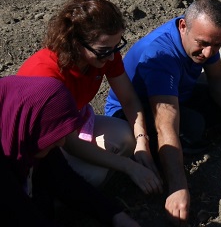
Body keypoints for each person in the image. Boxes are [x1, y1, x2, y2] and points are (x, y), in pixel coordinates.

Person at [104, 0, 221, 225]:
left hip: (177, 94)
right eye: (203, 44)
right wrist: (178, 186)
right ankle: (166, 159)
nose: (209, 53)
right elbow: (165, 123)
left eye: (217, 45)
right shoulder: (161, 55)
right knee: (193, 126)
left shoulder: (205, 37)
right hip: (133, 114)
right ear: (183, 27)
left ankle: (184, 147)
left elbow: (217, 78)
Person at [17, 0, 162, 195]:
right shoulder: (47, 75)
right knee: (92, 176)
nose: (112, 56)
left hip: (74, 123)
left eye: (116, 47)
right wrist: (129, 166)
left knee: (127, 137)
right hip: (40, 142)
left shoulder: (103, 55)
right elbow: (70, 143)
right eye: (104, 50)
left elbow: (128, 99)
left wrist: (142, 141)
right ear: (76, 43)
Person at [0, 76, 139, 226]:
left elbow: (64, 179)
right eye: (54, 134)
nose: (62, 142)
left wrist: (115, 215)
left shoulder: (28, 134)